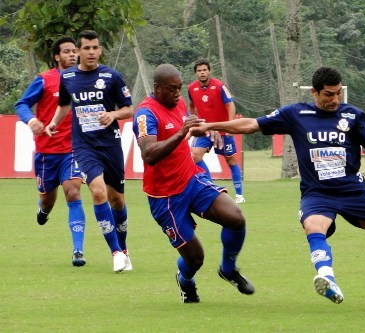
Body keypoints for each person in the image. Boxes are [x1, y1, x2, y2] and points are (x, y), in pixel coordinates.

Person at [190, 67, 365, 304]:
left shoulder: (353, 116)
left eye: (338, 93)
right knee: (313, 226)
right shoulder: (296, 114)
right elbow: (251, 125)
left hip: (354, 192)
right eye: (329, 94)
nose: (335, 99)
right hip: (317, 193)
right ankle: (327, 278)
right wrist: (209, 126)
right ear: (315, 93)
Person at [132, 64, 254, 303]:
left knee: (236, 218)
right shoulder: (145, 114)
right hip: (164, 198)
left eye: (179, 88)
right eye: (172, 89)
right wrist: (181, 134)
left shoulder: (176, 103)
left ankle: (228, 269)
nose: (178, 93)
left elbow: (187, 125)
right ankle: (185, 280)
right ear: (157, 88)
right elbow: (149, 154)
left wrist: (204, 131)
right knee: (195, 259)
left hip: (191, 180)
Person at [45, 30, 134, 272]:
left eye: (95, 47)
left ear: (100, 50)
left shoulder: (112, 76)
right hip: (84, 146)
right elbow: (64, 104)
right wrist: (54, 121)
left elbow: (129, 109)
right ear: (79, 51)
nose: (91, 52)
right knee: (97, 192)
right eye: (86, 48)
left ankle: (124, 248)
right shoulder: (69, 77)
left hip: (111, 143)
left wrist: (113, 114)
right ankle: (115, 252)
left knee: (117, 199)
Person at [15, 36, 87, 267]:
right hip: (47, 152)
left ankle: (78, 250)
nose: (72, 55)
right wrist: (32, 120)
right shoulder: (45, 80)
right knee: (47, 200)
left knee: (73, 193)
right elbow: (21, 104)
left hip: (74, 149)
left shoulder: (85, 79)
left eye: (74, 51)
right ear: (57, 56)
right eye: (66, 51)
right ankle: (43, 211)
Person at [187, 59, 246, 204]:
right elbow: (191, 106)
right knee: (195, 155)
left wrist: (230, 125)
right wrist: (192, 121)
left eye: (204, 70)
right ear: (196, 73)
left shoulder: (220, 86)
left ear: (209, 71)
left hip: (222, 130)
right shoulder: (191, 88)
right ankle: (212, 187)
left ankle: (239, 195)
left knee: (231, 160)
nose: (202, 73)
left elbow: (230, 104)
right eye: (199, 70)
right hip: (205, 130)